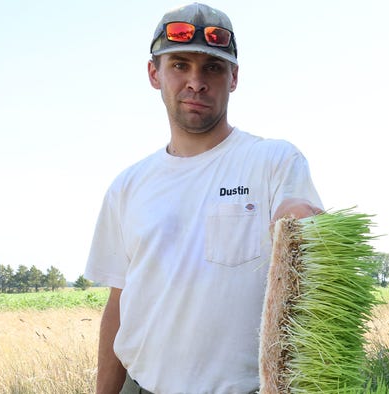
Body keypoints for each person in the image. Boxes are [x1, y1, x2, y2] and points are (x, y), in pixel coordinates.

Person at [84, 3, 323, 393]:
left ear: (234, 78)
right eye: (180, 65)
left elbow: (300, 218)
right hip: (142, 386)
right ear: (153, 74)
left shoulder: (274, 162)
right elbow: (118, 306)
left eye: (213, 67)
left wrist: (297, 221)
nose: (196, 81)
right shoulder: (128, 186)